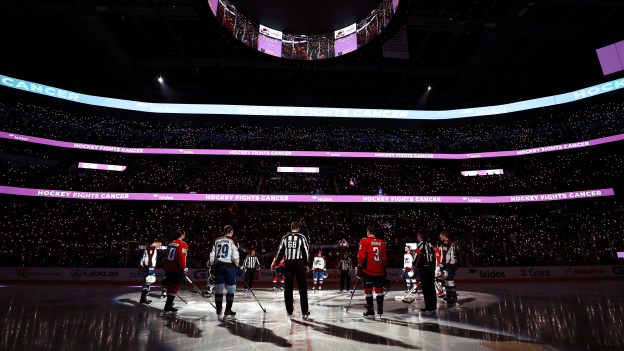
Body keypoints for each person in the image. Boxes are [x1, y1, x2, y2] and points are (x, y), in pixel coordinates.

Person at [275, 221, 310, 317]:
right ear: (298, 228)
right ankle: (305, 311)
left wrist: (277, 263)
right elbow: (305, 251)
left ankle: (289, 311)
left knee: (288, 287)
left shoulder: (285, 237)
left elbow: (280, 251)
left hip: (289, 263)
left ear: (291, 228)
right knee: (302, 287)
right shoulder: (302, 237)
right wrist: (307, 264)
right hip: (299, 263)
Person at [355, 225, 387, 317]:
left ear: (368, 232)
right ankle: (380, 310)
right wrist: (383, 267)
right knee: (379, 290)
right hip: (379, 270)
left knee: (368, 291)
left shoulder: (364, 241)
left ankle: (370, 310)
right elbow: (384, 258)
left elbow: (361, 255)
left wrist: (359, 267)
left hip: (368, 270)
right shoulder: (382, 242)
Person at [209, 225, 240, 316]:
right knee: (231, 288)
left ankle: (218, 309)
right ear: (231, 232)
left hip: (218, 266)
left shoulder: (216, 240)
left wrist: (212, 265)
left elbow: (212, 255)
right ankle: (228, 310)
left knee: (219, 288)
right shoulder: (234, 240)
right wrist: (238, 266)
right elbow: (235, 255)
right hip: (230, 267)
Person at [163, 229, 188, 314]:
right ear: (182, 236)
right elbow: (181, 257)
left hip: (168, 268)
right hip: (176, 269)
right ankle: (168, 305)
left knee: (170, 287)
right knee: (175, 287)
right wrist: (183, 268)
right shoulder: (183, 244)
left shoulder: (170, 243)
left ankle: (168, 304)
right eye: (184, 234)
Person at [139, 237, 166, 305]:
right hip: (148, 268)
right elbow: (149, 259)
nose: (159, 246)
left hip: (145, 267)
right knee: (147, 282)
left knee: (147, 283)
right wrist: (151, 270)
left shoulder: (149, 247)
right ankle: (143, 299)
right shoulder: (152, 248)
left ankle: (143, 299)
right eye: (159, 245)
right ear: (157, 243)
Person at [414, 232, 436, 314]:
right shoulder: (430, 244)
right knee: (431, 286)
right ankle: (433, 306)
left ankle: (429, 306)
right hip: (431, 266)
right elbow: (434, 255)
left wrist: (413, 264)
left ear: (419, 237)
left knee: (426, 287)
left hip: (424, 267)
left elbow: (416, 254)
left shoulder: (420, 244)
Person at [439, 231, 459, 304]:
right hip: (445, 265)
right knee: (446, 281)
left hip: (450, 265)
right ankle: (449, 296)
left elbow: (450, 255)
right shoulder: (443, 244)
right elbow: (442, 255)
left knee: (450, 281)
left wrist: (444, 264)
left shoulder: (450, 244)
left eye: (441, 236)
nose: (440, 237)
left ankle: (454, 297)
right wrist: (441, 264)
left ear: (444, 236)